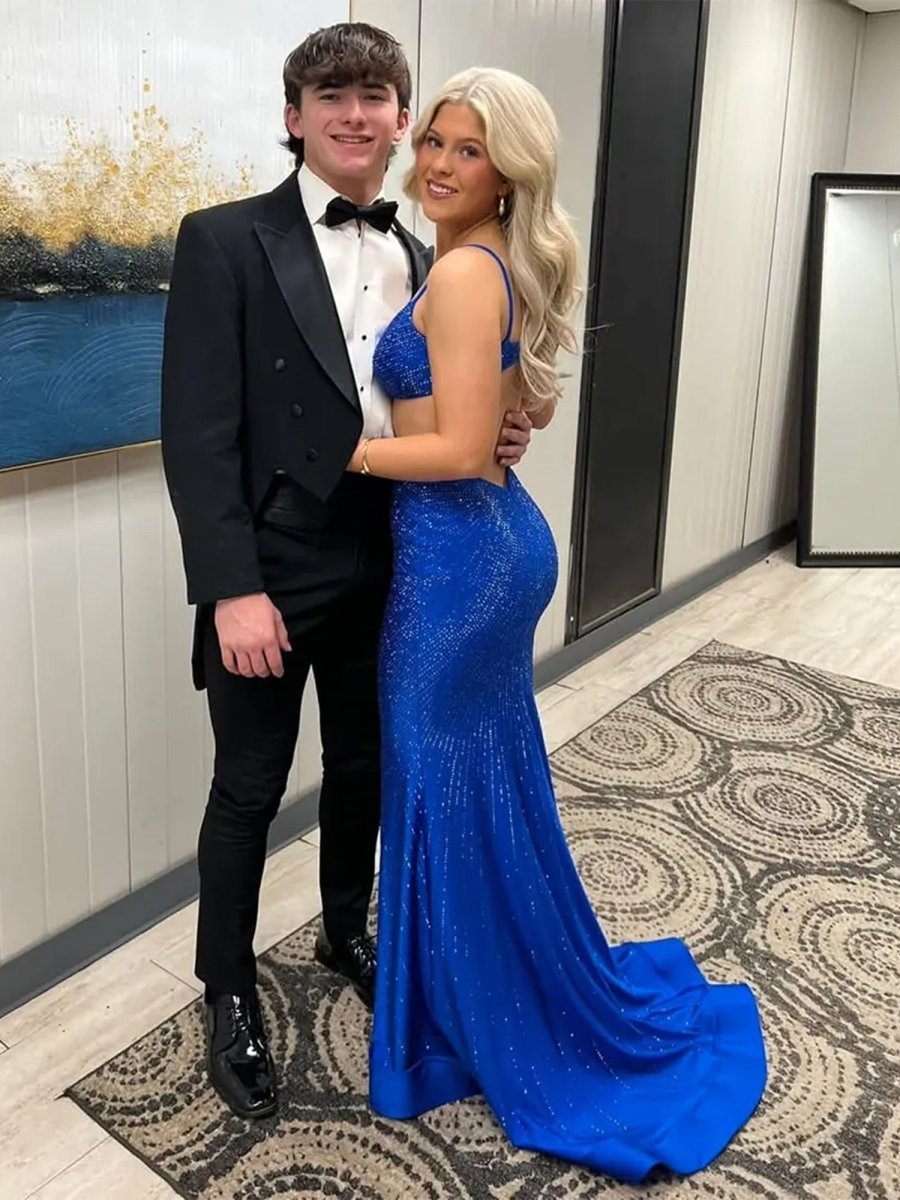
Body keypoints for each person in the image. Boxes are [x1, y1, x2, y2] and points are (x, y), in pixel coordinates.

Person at [344, 66, 768, 1182]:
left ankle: (459, 1019)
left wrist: (345, 450)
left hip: (460, 567)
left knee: (436, 783)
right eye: (435, 141)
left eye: (468, 150)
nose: (439, 164)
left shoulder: (465, 271)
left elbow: (456, 451)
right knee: (477, 780)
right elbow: (523, 409)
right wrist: (493, 421)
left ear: (509, 173)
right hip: (488, 549)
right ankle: (477, 987)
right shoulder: (489, 261)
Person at [160, 25, 532, 1122]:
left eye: (376, 95)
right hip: (272, 568)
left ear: (401, 119)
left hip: (398, 555)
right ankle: (228, 991)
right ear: (296, 117)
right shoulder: (223, 239)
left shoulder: (426, 251)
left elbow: (438, 409)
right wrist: (232, 588)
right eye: (332, 95)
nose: (355, 114)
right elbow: (198, 437)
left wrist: (497, 431)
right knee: (248, 786)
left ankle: (344, 931)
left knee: (365, 765)